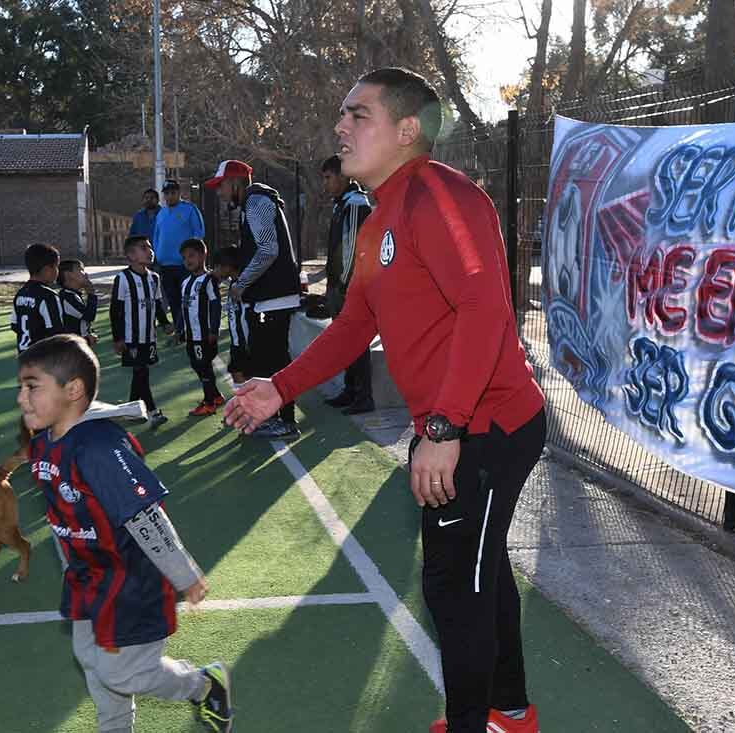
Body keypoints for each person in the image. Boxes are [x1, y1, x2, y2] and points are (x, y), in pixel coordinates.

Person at [224, 67, 546, 733]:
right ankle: (510, 711)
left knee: (455, 584)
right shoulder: (379, 221)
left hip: (488, 425)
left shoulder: (441, 197)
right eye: (342, 114)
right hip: (458, 424)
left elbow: (487, 308)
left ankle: (477, 722)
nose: (340, 126)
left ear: (407, 130)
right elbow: (350, 327)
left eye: (358, 114)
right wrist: (277, 386)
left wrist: (446, 426)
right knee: (476, 571)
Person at [17, 334, 234, 733]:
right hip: (89, 576)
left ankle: (204, 685)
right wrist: (71, 564)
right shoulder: (46, 444)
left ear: (73, 390)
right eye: (21, 387)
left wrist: (183, 574)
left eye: (32, 387)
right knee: (89, 658)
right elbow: (60, 515)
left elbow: (145, 516)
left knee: (122, 673)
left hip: (130, 579)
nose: (22, 398)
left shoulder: (98, 448)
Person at [206, 160, 301, 439]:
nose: (220, 193)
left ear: (235, 182)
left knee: (271, 364)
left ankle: (284, 421)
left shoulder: (256, 201)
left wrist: (241, 284)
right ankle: (275, 418)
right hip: (270, 298)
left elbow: (268, 250)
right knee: (267, 362)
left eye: (221, 186)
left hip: (272, 299)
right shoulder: (254, 203)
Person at [321, 154, 375, 415]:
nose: (326, 184)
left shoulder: (355, 204)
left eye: (329, 178)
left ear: (343, 176)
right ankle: (350, 388)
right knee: (344, 341)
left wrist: (342, 284)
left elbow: (352, 247)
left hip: (351, 288)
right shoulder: (340, 203)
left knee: (356, 341)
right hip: (338, 287)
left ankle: (364, 396)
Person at [111, 235, 173, 426]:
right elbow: (116, 310)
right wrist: (118, 338)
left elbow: (157, 304)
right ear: (130, 255)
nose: (149, 250)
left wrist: (164, 323)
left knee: (141, 373)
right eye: (143, 247)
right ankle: (153, 411)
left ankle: (131, 410)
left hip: (149, 336)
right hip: (131, 338)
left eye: (149, 247)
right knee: (141, 372)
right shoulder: (123, 278)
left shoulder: (154, 278)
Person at [151, 179, 205, 342]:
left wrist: (195, 258)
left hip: (184, 265)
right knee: (174, 300)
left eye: (173, 192)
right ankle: (181, 331)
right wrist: (156, 256)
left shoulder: (189, 210)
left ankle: (191, 330)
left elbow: (198, 234)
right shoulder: (161, 213)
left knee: (187, 299)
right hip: (165, 265)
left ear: (179, 193)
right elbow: (156, 237)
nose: (169, 196)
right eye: (166, 193)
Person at [179, 238, 224, 416]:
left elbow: (215, 305)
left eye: (191, 255)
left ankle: (209, 403)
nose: (188, 260)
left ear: (203, 254)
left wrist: (214, 330)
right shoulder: (185, 283)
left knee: (203, 366)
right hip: (191, 335)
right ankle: (215, 395)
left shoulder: (209, 280)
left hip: (204, 335)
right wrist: (180, 329)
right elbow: (183, 308)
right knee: (197, 365)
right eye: (184, 257)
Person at [11, 244, 66, 354]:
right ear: (47, 270)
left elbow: (15, 325)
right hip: (43, 360)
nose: (57, 271)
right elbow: (56, 333)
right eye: (56, 266)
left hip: (24, 358)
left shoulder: (20, 294)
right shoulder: (48, 296)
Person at [213, 246, 251, 389]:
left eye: (217, 266)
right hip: (236, 341)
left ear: (228, 266)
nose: (215, 270)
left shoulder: (243, 285)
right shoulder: (233, 284)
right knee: (236, 372)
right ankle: (246, 404)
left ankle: (249, 406)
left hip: (245, 341)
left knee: (242, 374)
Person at [57, 259, 99, 347]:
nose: (86, 274)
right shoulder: (67, 297)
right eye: (81, 270)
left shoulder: (73, 295)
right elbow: (89, 315)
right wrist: (91, 293)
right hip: (72, 350)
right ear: (68, 275)